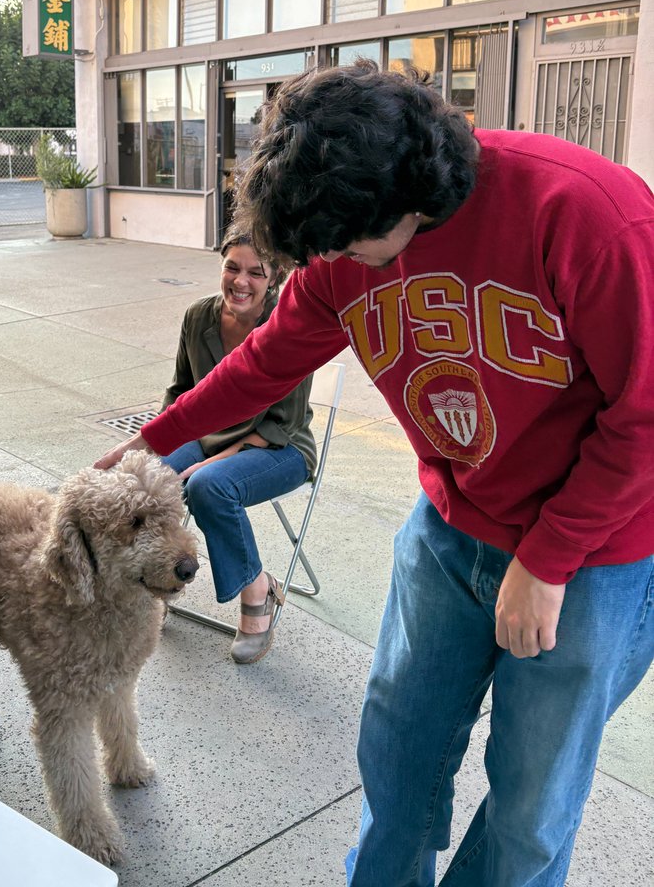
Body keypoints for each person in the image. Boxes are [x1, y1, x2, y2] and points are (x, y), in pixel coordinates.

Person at [95, 62, 654, 887]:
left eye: (349, 244)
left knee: (531, 804)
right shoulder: (338, 242)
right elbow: (265, 362)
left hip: (593, 553)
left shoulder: (583, 213)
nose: (336, 265)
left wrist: (547, 559)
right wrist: (153, 443)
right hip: (451, 524)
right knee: (398, 756)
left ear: (413, 189)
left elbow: (645, 416)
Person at [161, 225, 316, 664]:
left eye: (256, 272)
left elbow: (281, 425)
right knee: (150, 478)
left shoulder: (289, 329)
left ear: (275, 278)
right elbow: (180, 392)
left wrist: (211, 461)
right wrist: (158, 450)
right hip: (210, 436)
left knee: (208, 486)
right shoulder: (198, 317)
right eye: (232, 267)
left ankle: (258, 590)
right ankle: (163, 574)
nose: (240, 281)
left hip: (279, 448)